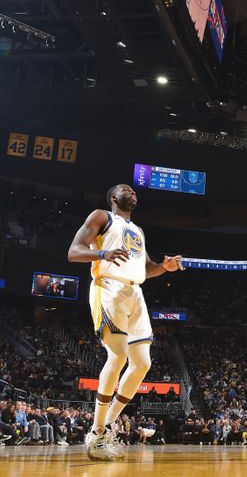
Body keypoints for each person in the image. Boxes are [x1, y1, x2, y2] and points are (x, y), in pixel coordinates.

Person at [68, 184, 184, 460]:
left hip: (135, 292)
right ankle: (96, 433)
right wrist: (101, 254)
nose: (132, 192)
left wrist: (164, 268)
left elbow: (147, 269)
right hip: (108, 286)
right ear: (113, 197)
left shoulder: (138, 231)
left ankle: (106, 425)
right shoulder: (101, 217)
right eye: (126, 189)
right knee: (118, 355)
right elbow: (74, 252)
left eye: (134, 191)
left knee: (143, 363)